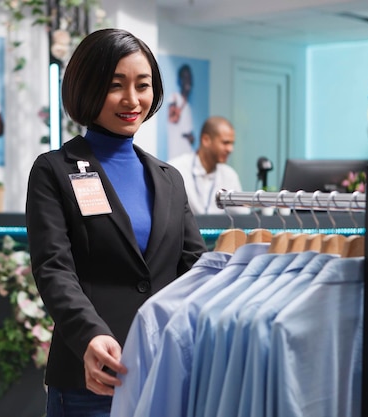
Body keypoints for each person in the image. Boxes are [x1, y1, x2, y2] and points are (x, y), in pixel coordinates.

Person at [25, 28, 207, 417]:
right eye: (115, 85)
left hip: (166, 375)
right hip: (93, 377)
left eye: (143, 86)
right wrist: (90, 335)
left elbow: (195, 270)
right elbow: (54, 269)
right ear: (87, 88)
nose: (132, 100)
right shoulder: (54, 170)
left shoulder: (168, 178)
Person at [168, 116, 247, 215]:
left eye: (232, 144)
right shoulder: (176, 169)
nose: (230, 149)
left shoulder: (229, 175)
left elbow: (243, 216)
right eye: (225, 143)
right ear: (206, 140)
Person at [167, 63, 195, 159]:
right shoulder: (174, 98)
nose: (188, 81)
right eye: (185, 78)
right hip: (176, 150)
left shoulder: (188, 105)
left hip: (187, 149)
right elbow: (173, 118)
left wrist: (191, 137)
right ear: (180, 80)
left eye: (189, 78)